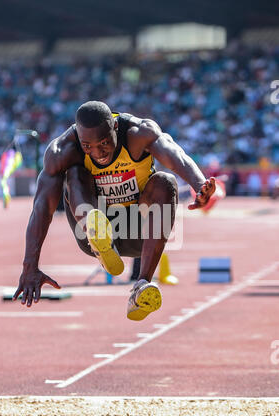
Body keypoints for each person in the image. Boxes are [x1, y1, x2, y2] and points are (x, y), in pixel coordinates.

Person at [13, 101, 215, 321]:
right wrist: (30, 265)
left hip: (138, 231)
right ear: (80, 140)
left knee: (165, 181)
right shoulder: (63, 150)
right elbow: (42, 207)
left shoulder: (138, 132)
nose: (98, 153)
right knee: (74, 174)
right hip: (90, 231)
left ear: (115, 128)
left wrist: (199, 185)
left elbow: (174, 153)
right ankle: (97, 232)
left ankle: (141, 285)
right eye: (88, 146)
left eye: (104, 143)